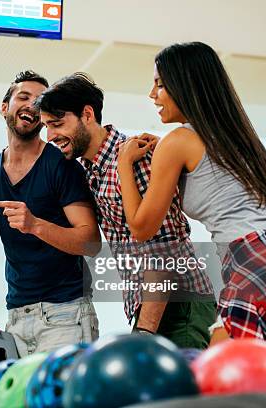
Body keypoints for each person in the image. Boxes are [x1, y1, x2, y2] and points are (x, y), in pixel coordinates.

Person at [115, 41, 266, 395]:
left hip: (254, 262)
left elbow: (141, 228)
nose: (152, 94)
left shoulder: (178, 141)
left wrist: (125, 161)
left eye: (160, 84)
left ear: (185, 84)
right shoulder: (238, 136)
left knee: (229, 387)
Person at [36, 73, 216, 349]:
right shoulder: (90, 169)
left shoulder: (136, 158)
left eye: (57, 124)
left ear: (87, 114)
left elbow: (163, 249)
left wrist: (144, 331)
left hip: (179, 306)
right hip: (150, 307)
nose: (51, 136)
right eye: (47, 126)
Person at [0, 70, 101, 357]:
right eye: (23, 97)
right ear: (4, 107)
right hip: (17, 316)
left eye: (39, 102)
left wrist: (35, 225)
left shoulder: (62, 163)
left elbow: (91, 242)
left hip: (66, 313)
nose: (31, 105)